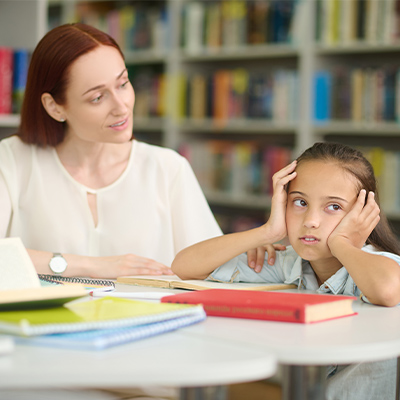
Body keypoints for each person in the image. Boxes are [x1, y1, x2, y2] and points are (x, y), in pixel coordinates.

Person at [172, 141, 400, 400]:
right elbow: (184, 266)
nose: (311, 221)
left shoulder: (376, 265)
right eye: (300, 202)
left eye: (333, 207)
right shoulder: (289, 263)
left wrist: (341, 243)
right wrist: (267, 232)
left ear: (365, 213)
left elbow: (387, 290)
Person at [0, 22, 228, 278]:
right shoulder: (11, 160)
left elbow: (214, 269)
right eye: (97, 97)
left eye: (123, 84)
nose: (122, 107)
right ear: (55, 107)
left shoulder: (168, 168)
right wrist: (93, 266)